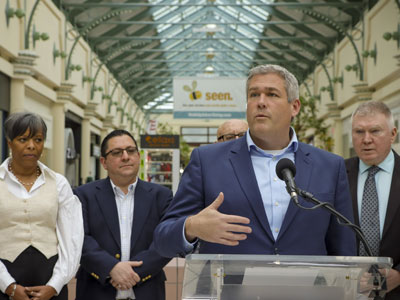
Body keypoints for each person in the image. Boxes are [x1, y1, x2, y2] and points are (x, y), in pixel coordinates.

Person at [154, 64, 356, 258]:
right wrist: (192, 227)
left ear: (294, 107)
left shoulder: (330, 166)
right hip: (230, 289)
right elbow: (163, 239)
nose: (260, 101)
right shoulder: (207, 161)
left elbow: (344, 248)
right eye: (253, 94)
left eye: (272, 94)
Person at [74, 129, 172, 300]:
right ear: (104, 162)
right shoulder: (83, 195)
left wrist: (132, 273)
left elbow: (166, 241)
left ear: (138, 156)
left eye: (131, 150)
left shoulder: (162, 196)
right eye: (117, 152)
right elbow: (79, 239)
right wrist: (111, 268)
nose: (126, 156)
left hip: (147, 291)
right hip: (96, 291)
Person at [0, 112, 84, 300]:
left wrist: (54, 286)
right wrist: (9, 286)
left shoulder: (59, 183)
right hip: (4, 282)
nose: (31, 145)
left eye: (38, 139)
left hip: (50, 281)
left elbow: (72, 239)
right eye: (23, 139)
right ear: (9, 143)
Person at [345, 101, 400, 299]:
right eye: (359, 132)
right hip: (346, 290)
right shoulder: (337, 174)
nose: (366, 139)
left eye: (375, 131)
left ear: (393, 134)